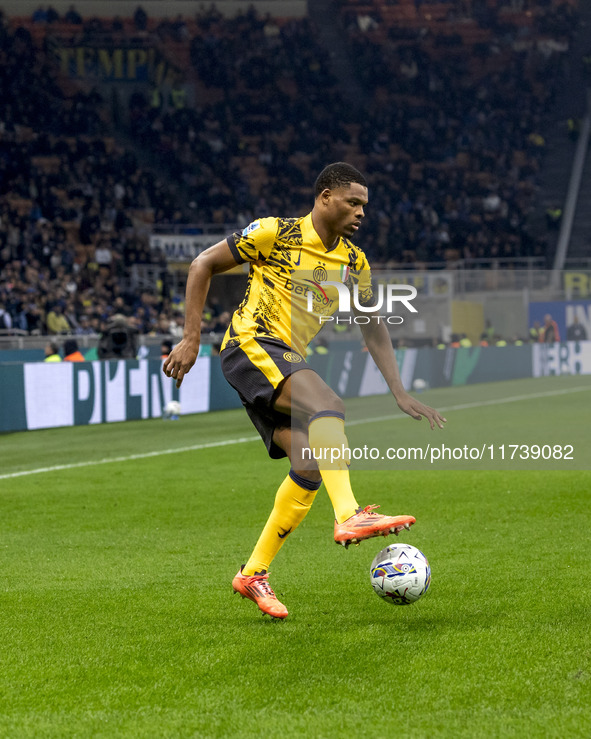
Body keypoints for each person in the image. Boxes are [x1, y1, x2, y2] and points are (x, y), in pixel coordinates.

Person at [163, 162, 446, 619]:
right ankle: (350, 513)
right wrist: (191, 337)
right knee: (328, 405)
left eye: (364, 206)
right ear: (324, 197)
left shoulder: (354, 262)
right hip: (251, 344)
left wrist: (399, 391)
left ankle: (252, 573)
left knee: (309, 464)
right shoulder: (275, 233)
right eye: (353, 202)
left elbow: (373, 327)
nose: (360, 212)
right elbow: (203, 265)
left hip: (282, 359)